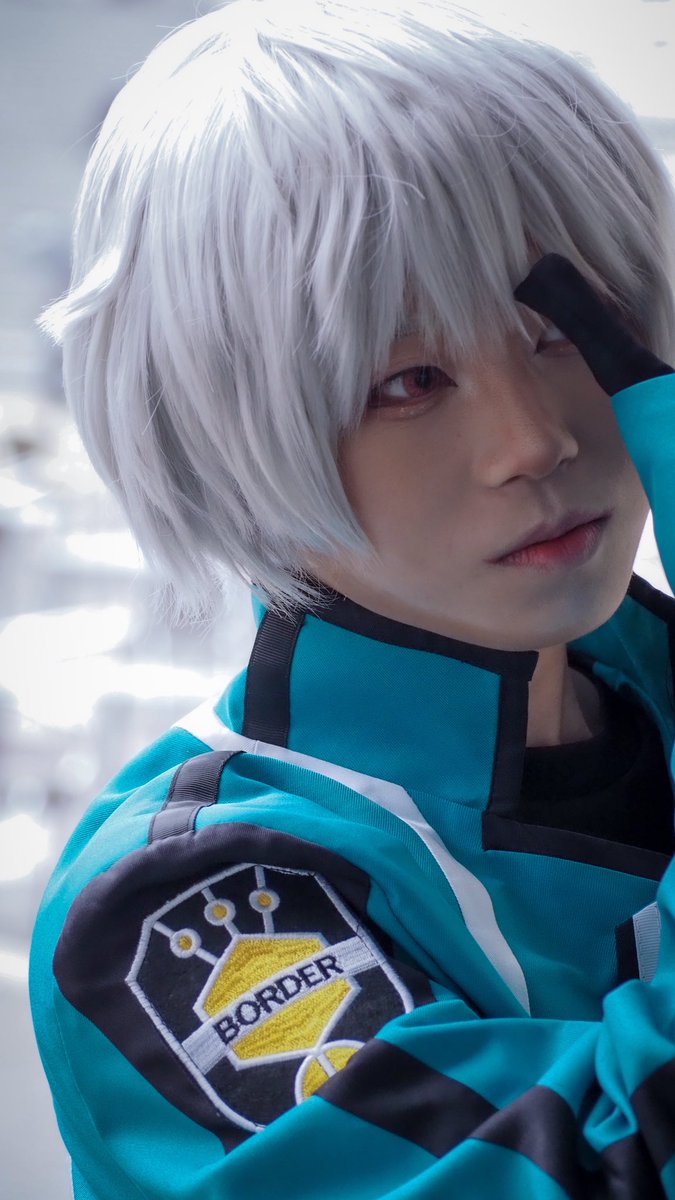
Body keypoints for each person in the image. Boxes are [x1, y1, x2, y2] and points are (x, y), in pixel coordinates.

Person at [28, 1, 675, 1196]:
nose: (532, 441)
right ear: (222, 424)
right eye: (408, 381)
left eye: (564, 331)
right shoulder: (188, 904)